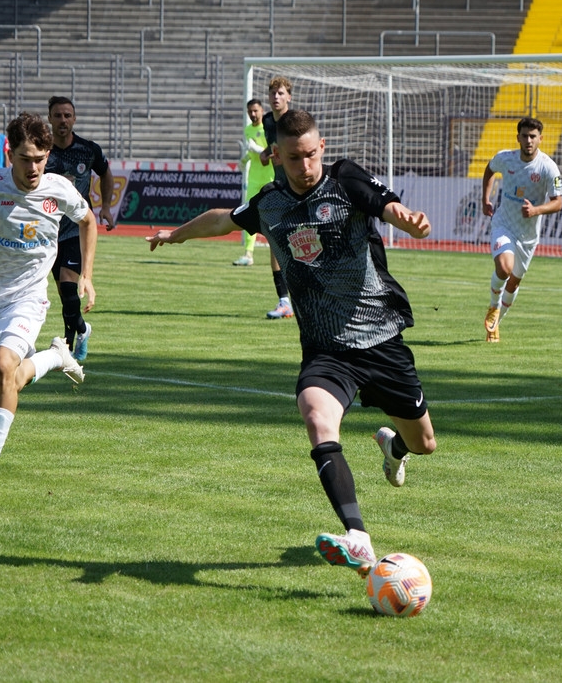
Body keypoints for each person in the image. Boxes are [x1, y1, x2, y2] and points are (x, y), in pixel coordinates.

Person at [146, 109, 437, 577]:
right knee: (317, 416)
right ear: (277, 155)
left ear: (321, 148)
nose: (306, 166)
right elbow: (225, 219)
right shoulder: (271, 201)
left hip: (380, 338)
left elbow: (382, 203)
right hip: (326, 350)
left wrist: (404, 219)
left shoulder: (343, 179)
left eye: (312, 154)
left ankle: (394, 449)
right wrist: (175, 234)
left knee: (423, 443)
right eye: (295, 158)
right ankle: (359, 538)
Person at [0, 112, 98, 493]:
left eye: (41, 158)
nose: (34, 167)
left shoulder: (59, 188)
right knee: (8, 377)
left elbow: (88, 221)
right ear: (9, 154)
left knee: (2, 366)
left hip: (29, 297)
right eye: (26, 158)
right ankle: (56, 357)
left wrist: (87, 276)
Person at [480, 116, 562, 343]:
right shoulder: (505, 158)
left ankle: (496, 323)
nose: (529, 140)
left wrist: (536, 210)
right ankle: (493, 307)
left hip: (528, 236)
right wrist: (485, 198)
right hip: (504, 224)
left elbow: (558, 202)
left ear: (540, 139)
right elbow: (489, 170)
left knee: (514, 282)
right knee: (504, 268)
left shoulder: (548, 168)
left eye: (533, 136)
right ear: (518, 138)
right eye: (525, 136)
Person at [46, 95, 115, 362]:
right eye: (57, 115)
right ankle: (82, 331)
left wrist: (106, 205)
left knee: (67, 281)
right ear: (50, 119)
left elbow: (106, 172)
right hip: (48, 230)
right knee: (65, 293)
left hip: (77, 228)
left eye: (67, 115)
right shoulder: (42, 152)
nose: (63, 120)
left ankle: (67, 346)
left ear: (74, 119)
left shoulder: (89, 149)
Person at [258, 76, 294, 319]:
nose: (276, 97)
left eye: (280, 93)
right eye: (272, 93)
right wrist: (265, 154)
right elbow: (271, 147)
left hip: (300, 188)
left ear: (289, 97)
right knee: (275, 241)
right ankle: (284, 301)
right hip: (280, 187)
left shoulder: (296, 122)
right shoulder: (268, 121)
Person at [232, 98, 274, 266]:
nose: (253, 114)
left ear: (262, 110)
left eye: (256, 111)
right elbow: (252, 151)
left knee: (273, 216)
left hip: (271, 177)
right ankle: (248, 255)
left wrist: (258, 150)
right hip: (254, 178)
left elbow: (271, 152)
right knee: (249, 215)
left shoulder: (269, 127)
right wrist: (245, 160)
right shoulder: (248, 129)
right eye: (250, 111)